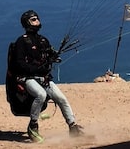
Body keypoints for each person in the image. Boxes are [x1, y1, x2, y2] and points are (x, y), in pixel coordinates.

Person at [11, 9, 83, 142]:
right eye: (33, 19)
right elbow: (19, 63)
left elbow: (50, 54)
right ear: (27, 23)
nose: (37, 21)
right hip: (28, 79)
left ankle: (73, 127)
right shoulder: (22, 41)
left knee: (62, 99)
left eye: (37, 18)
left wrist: (53, 57)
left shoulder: (43, 40)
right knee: (41, 95)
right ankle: (33, 126)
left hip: (43, 79)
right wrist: (35, 69)